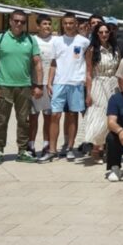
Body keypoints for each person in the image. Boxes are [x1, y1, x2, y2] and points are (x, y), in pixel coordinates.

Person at [0, 9, 43, 165]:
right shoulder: (0, 38)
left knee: (24, 121)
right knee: (2, 120)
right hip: (4, 86)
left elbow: (37, 62)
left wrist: (38, 85)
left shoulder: (31, 40)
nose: (19, 24)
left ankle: (23, 150)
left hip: (24, 86)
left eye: (22, 21)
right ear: (10, 21)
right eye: (16, 20)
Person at [43, 12, 92, 163]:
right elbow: (53, 63)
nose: (69, 26)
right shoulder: (56, 41)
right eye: (66, 23)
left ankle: (70, 148)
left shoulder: (84, 42)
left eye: (71, 23)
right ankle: (52, 149)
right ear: (62, 24)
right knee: (55, 115)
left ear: (76, 24)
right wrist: (50, 82)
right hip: (59, 82)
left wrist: (86, 84)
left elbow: (88, 65)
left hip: (76, 83)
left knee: (72, 115)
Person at [83, 22, 121, 160]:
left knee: (112, 115)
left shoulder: (115, 49)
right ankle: (95, 148)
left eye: (106, 32)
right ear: (96, 34)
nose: (104, 34)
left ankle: (107, 147)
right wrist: (88, 92)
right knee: (98, 115)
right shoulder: (92, 50)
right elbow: (88, 72)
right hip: (98, 83)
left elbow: (118, 70)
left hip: (113, 83)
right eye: (101, 32)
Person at [28, 14, 55, 156]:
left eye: (49, 24)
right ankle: (30, 145)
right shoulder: (32, 40)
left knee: (48, 117)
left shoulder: (55, 41)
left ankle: (46, 144)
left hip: (49, 85)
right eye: (44, 24)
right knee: (32, 117)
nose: (47, 27)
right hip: (34, 83)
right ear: (38, 26)